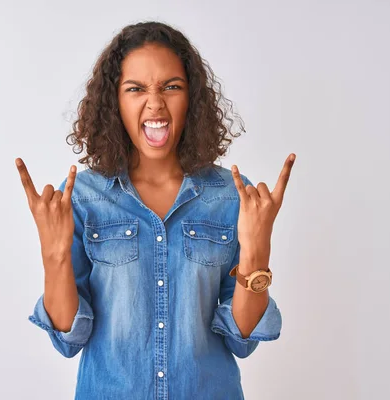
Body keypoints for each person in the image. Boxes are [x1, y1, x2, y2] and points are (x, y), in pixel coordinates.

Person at [16, 21, 295, 400]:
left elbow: (242, 340)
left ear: (191, 98)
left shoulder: (229, 196)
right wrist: (53, 254)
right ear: (115, 101)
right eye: (136, 89)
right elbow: (69, 338)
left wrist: (258, 249)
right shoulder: (83, 196)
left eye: (171, 87)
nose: (155, 103)